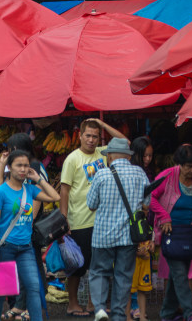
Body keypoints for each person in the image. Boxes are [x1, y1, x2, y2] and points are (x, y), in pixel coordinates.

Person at [60, 118, 125, 317]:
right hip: (79, 221)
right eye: (87, 135)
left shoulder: (103, 154)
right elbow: (64, 191)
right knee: (78, 266)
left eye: (95, 136)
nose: (91, 140)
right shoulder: (72, 159)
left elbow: (125, 142)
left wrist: (103, 124)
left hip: (102, 221)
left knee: (98, 267)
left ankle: (92, 304)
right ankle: (72, 304)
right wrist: (64, 220)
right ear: (80, 136)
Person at [0, 150, 60, 321]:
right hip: (5, 248)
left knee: (33, 287)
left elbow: (55, 196)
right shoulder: (1, 192)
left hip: (25, 248)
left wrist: (39, 179)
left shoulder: (31, 189)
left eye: (26, 165)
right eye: (19, 165)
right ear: (10, 168)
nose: (23, 169)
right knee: (1, 292)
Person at [86, 138, 149, 321]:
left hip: (102, 237)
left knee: (99, 272)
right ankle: (119, 315)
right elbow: (147, 203)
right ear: (128, 157)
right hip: (128, 237)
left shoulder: (102, 174)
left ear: (111, 156)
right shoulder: (139, 173)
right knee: (123, 276)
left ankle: (99, 308)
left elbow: (91, 205)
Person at [151, 144, 192, 321]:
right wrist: (164, 217)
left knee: (177, 274)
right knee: (180, 274)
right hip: (171, 234)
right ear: (180, 164)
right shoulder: (167, 176)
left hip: (190, 235)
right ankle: (190, 313)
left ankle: (167, 314)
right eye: (188, 166)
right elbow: (151, 198)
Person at [0, 133, 49, 321]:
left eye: (10, 149)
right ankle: (20, 305)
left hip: (28, 228)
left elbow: (36, 198)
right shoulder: (19, 167)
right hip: (19, 227)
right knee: (22, 269)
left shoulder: (33, 167)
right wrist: (2, 165)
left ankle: (37, 308)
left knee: (33, 268)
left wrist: (28, 222)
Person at [127, 136, 154, 321]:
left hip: (135, 230)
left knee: (131, 274)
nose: (147, 159)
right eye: (144, 155)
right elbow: (147, 204)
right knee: (133, 274)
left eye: (150, 156)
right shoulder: (138, 173)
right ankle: (136, 310)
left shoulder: (137, 172)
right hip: (135, 229)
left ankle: (136, 311)